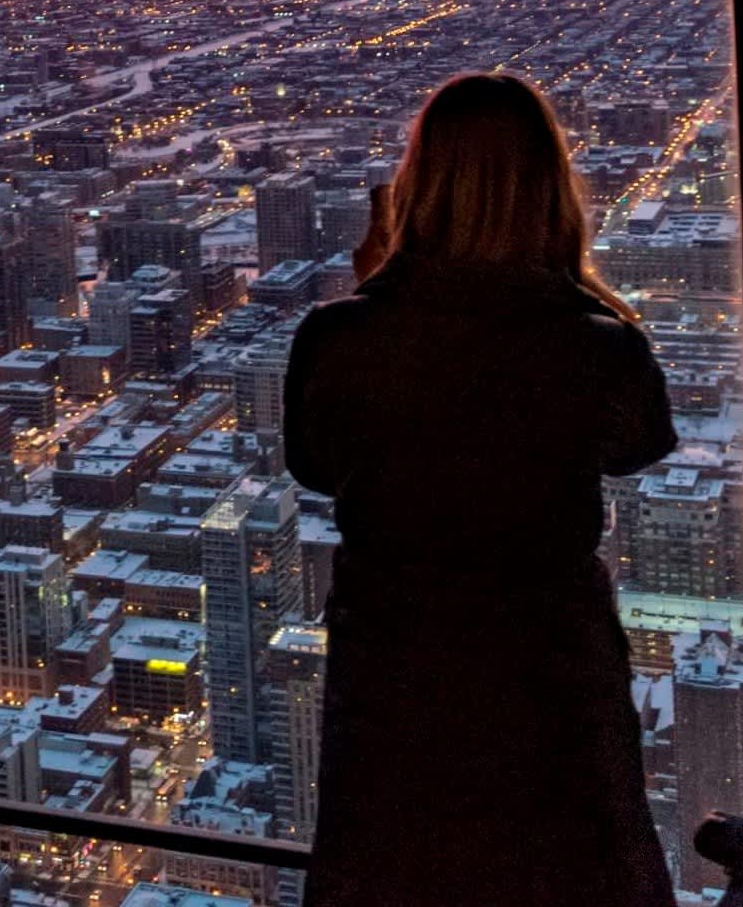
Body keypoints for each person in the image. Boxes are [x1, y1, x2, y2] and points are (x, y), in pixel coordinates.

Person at [288, 74, 677, 907]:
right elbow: (640, 444)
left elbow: (315, 466)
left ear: (413, 189)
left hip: (395, 675)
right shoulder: (596, 347)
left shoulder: (339, 338)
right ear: (548, 190)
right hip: (548, 674)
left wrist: (375, 296)